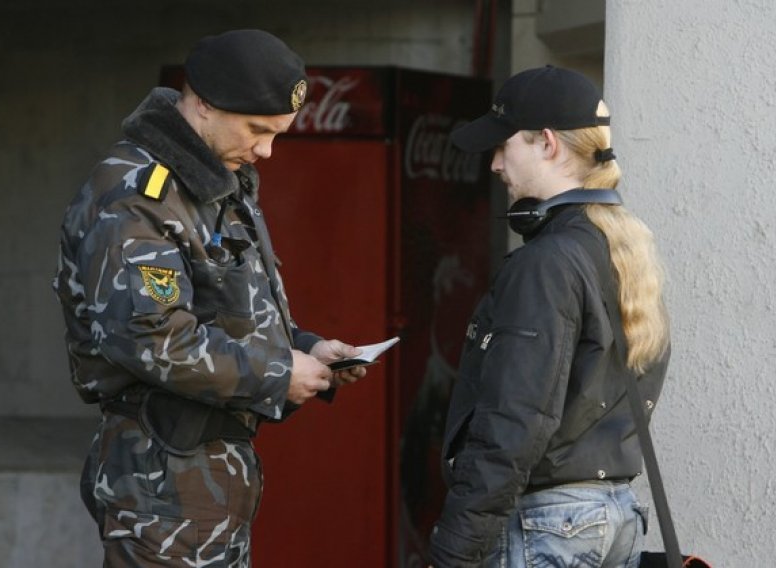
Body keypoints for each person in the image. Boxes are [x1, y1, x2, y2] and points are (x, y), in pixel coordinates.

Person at [52, 29, 367, 567]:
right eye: (256, 130)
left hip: (204, 479)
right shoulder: (139, 193)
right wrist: (275, 373)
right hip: (162, 483)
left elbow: (227, 309)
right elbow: (153, 339)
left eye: (277, 134)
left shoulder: (213, 179)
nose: (266, 150)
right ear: (201, 103)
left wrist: (304, 349)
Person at [427, 65, 671, 567]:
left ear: (547, 144)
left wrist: (454, 552)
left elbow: (513, 422)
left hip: (548, 525)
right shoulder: (624, 249)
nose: (495, 164)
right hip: (614, 517)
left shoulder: (546, 262)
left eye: (503, 146)